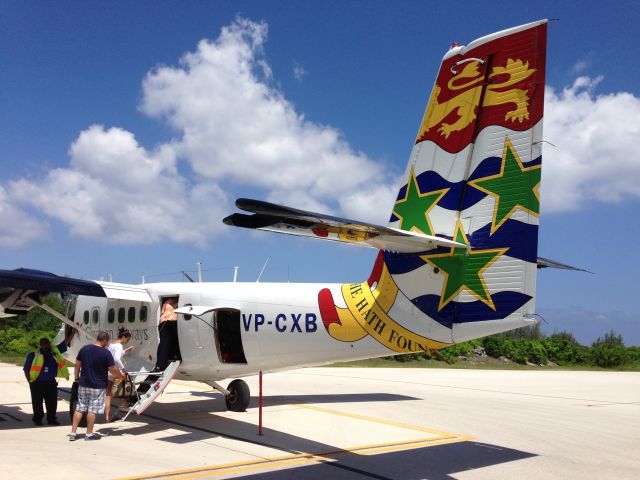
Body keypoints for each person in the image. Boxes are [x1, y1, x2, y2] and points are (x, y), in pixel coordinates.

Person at [68, 331, 125, 441]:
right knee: (92, 410)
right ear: (104, 340)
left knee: (79, 408)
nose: (107, 344)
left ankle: (73, 433)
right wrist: (121, 376)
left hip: (83, 384)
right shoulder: (106, 353)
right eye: (107, 342)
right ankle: (89, 434)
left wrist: (76, 378)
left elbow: (77, 364)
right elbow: (112, 370)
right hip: (97, 386)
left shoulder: (84, 349)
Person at [23, 333, 74, 426]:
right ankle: (37, 419)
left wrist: (73, 331)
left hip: (51, 383)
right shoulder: (33, 355)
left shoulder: (54, 353)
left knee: (52, 403)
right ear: (41, 345)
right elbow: (26, 370)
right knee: (37, 403)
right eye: (44, 343)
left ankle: (51, 419)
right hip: (37, 383)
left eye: (47, 343)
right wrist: (30, 382)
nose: (46, 345)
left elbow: (65, 343)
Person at [105, 327, 134, 422]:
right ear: (124, 337)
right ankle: (122, 404)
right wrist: (123, 369)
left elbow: (113, 355)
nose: (127, 341)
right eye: (128, 339)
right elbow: (117, 359)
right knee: (128, 385)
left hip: (108, 370)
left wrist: (126, 351)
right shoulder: (119, 345)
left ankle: (108, 415)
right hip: (115, 371)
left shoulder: (112, 344)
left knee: (108, 394)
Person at [155, 297, 181, 371]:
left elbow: (162, 311)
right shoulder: (179, 302)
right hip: (173, 322)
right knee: (175, 340)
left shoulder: (166, 302)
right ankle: (175, 356)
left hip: (164, 322)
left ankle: (160, 364)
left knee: (164, 343)